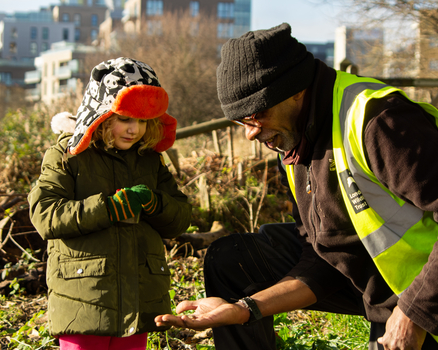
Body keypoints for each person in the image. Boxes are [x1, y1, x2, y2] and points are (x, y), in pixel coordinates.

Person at [154, 23, 438, 350]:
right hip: (376, 286)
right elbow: (324, 260)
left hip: (426, 293)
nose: (250, 133)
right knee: (232, 259)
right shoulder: (291, 141)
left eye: (256, 114)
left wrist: (414, 313)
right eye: (241, 121)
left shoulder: (379, 120)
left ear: (295, 90)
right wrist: (244, 309)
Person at [28, 57, 192, 350]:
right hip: (83, 297)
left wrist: (154, 203)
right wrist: (108, 208)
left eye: (143, 121)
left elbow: (180, 218)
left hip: (139, 298)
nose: (135, 130)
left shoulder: (150, 160)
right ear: (102, 115)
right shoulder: (67, 156)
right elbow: (45, 214)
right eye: (126, 119)